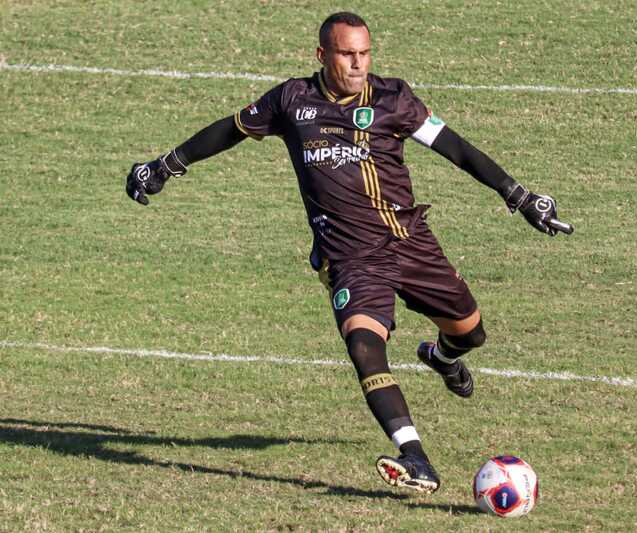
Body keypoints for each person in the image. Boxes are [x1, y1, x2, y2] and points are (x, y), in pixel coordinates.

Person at [125, 12, 571, 494]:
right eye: (346, 54)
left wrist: (520, 197)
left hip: (409, 241)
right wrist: (165, 166)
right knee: (363, 345)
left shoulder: (393, 99)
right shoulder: (291, 100)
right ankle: (415, 457)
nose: (358, 63)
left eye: (364, 53)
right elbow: (230, 129)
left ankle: (442, 358)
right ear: (323, 55)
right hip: (350, 259)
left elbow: (457, 149)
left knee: (471, 332)